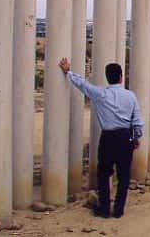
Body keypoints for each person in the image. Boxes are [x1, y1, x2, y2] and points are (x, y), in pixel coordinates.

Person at [59, 58, 144, 219]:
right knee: (124, 175)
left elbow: (83, 84)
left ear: (107, 77)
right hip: (126, 137)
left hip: (108, 138)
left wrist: (68, 71)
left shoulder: (101, 94)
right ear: (121, 77)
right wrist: (136, 138)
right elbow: (137, 121)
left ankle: (104, 209)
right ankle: (118, 210)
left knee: (104, 173)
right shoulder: (130, 96)